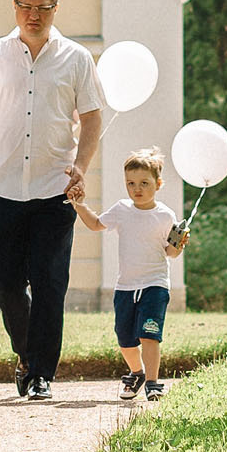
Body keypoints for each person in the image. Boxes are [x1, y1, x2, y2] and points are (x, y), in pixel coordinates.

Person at [0, 0, 106, 402]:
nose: (34, 15)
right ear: (15, 7)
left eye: (43, 8)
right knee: (8, 285)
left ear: (55, 10)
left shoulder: (76, 58)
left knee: (50, 284)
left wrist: (81, 166)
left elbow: (91, 117)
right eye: (26, 7)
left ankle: (42, 373)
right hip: (4, 189)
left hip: (55, 189)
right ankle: (26, 357)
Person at [70, 147, 189, 401]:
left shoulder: (165, 215)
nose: (137, 189)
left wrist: (179, 244)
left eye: (144, 183)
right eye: (131, 183)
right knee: (125, 340)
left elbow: (170, 252)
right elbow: (95, 224)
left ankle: (154, 383)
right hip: (125, 286)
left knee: (149, 333)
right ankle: (137, 372)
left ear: (158, 184)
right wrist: (78, 205)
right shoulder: (122, 210)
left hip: (155, 285)